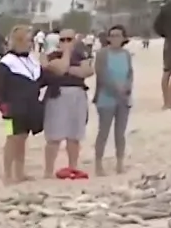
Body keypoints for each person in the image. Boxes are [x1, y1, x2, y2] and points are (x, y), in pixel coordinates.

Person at [0, 25, 45, 183]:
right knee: (11, 139)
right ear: (19, 41)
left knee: (22, 139)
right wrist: (4, 107)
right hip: (11, 110)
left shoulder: (31, 60)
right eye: (28, 40)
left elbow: (39, 80)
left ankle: (19, 173)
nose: (31, 44)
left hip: (29, 108)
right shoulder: (6, 63)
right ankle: (7, 174)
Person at [41, 28, 93, 180]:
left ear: (74, 40)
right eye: (62, 40)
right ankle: (48, 171)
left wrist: (66, 68)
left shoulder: (81, 55)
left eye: (68, 39)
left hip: (77, 95)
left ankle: (73, 167)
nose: (65, 43)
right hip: (57, 95)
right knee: (54, 136)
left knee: (74, 135)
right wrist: (66, 57)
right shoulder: (51, 55)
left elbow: (87, 71)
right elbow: (56, 68)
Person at [93, 25, 134, 176]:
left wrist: (126, 88)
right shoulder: (103, 54)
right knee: (103, 131)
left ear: (124, 38)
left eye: (118, 35)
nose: (115, 38)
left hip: (123, 98)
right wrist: (116, 89)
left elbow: (130, 73)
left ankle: (120, 163)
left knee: (120, 133)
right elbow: (101, 74)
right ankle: (98, 164)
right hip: (106, 98)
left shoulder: (126, 54)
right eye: (112, 35)